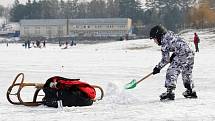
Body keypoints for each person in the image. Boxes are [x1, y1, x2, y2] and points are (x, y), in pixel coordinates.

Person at [149, 25, 197, 100]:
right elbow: (179, 43)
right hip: (191, 51)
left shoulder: (164, 42)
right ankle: (190, 91)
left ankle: (169, 92)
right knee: (186, 72)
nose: (154, 41)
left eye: (154, 39)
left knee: (172, 71)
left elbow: (165, 60)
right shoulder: (171, 35)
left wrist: (158, 68)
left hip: (182, 53)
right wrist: (174, 54)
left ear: (159, 36)